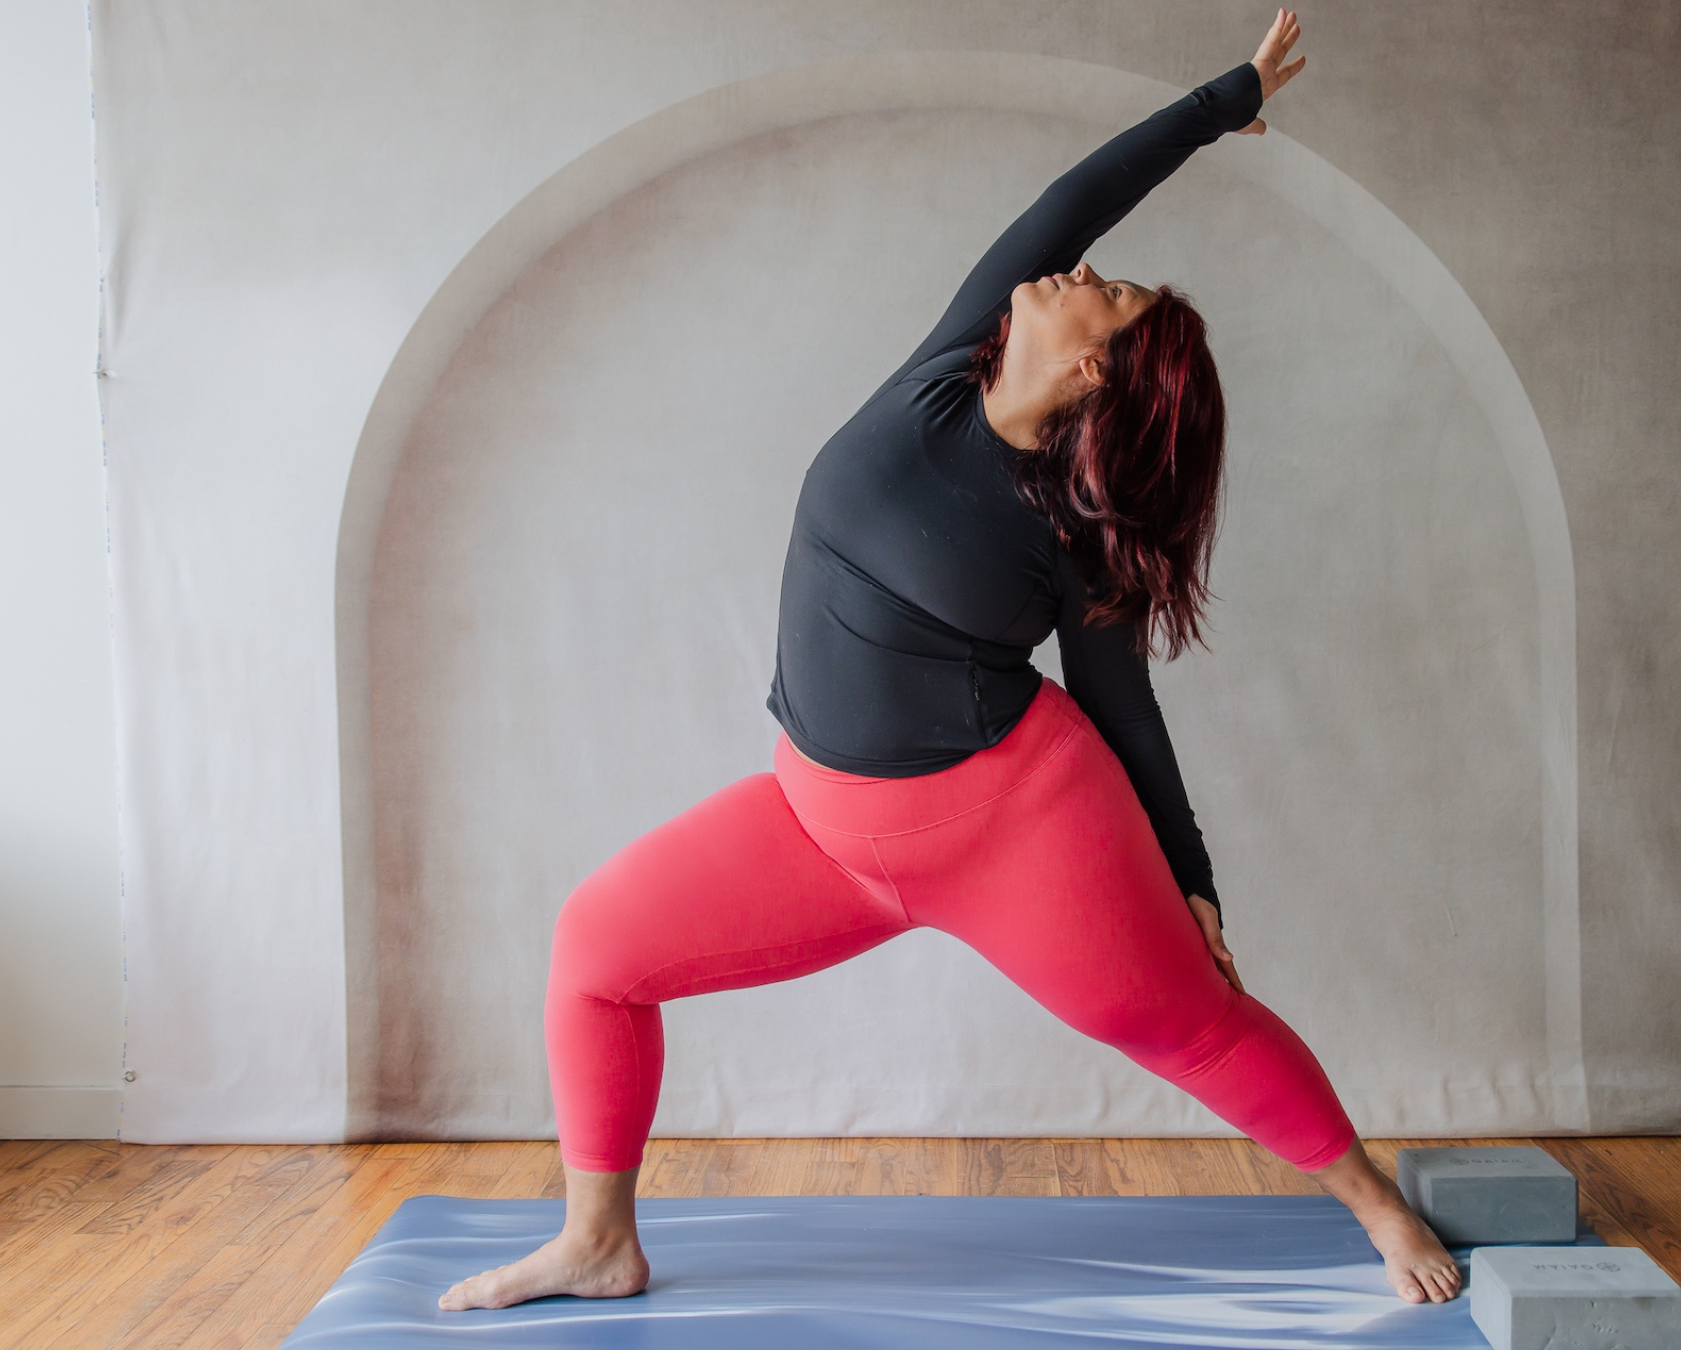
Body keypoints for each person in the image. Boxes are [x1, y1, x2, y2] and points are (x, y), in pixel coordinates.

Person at [441, 9, 1462, 1311]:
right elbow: (1071, 195)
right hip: (821, 820)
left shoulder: (1075, 534)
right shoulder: (950, 361)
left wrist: (1190, 879)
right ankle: (597, 1239)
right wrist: (1222, 102)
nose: (1078, 267)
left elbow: (1121, 706)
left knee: (1182, 1022)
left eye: (1107, 284)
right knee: (595, 945)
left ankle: (1373, 1202)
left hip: (1012, 826)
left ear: (1094, 362)